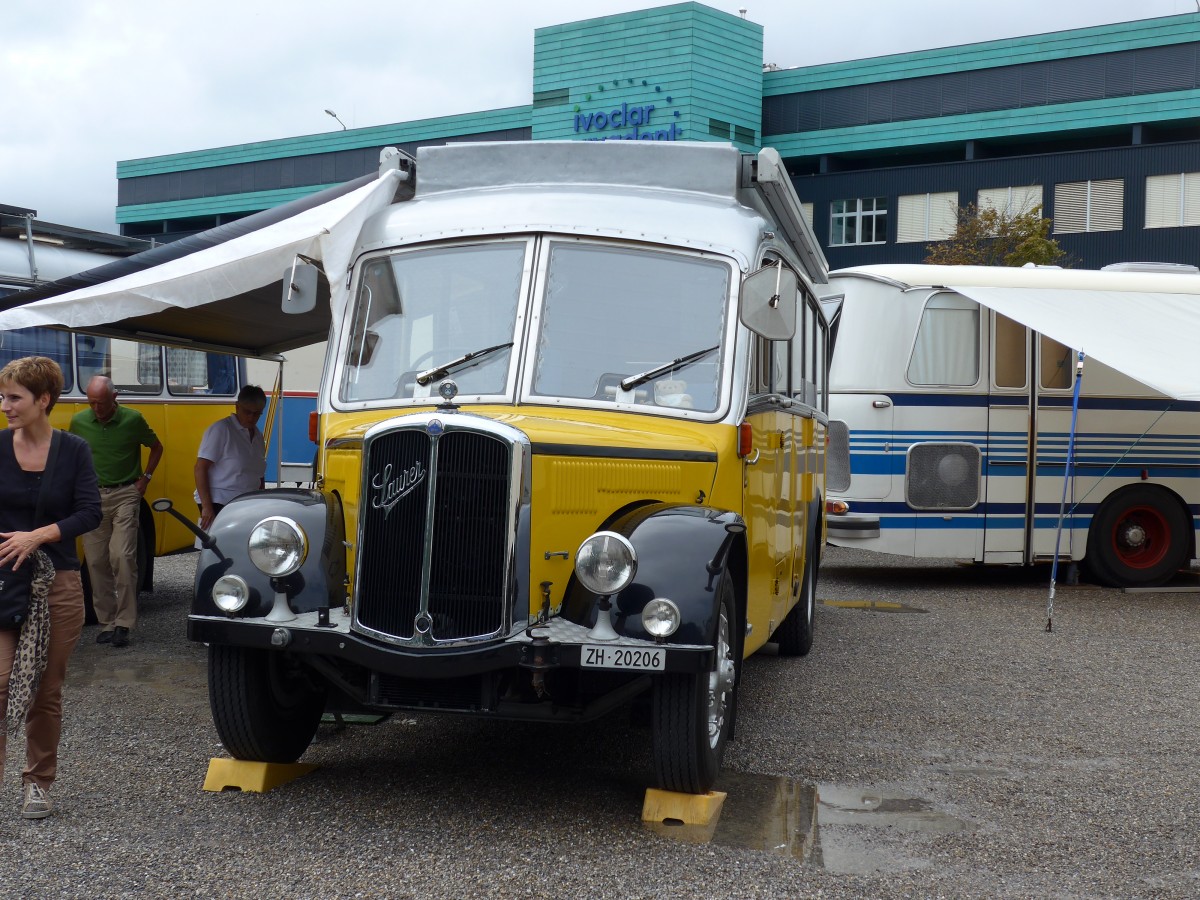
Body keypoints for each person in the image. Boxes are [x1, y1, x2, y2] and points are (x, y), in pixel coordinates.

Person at [0, 356, 101, 820]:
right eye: (3, 397)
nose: (5, 406)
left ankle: (38, 783)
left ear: (43, 400)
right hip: (5, 581)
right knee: (1, 684)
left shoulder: (74, 449)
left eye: (14, 397)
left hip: (56, 584)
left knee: (44, 690)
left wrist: (38, 535)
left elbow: (90, 512)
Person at [68, 376, 163, 648]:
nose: (96, 408)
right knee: (96, 561)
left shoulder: (133, 419)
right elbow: (74, 456)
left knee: (122, 556)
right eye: (92, 403)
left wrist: (145, 479)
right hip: (92, 497)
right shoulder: (79, 422)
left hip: (125, 494)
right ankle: (107, 622)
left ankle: (124, 623)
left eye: (101, 403)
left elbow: (156, 447)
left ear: (115, 397)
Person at [194, 385, 267, 530]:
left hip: (247, 502)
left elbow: (259, 475)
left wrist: (261, 501)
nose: (251, 417)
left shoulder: (258, 436)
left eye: (256, 413)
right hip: (219, 501)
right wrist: (207, 507)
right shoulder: (221, 429)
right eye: (247, 412)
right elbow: (200, 468)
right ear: (237, 407)